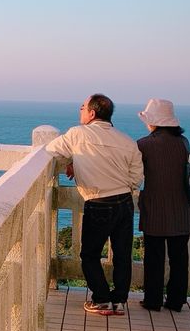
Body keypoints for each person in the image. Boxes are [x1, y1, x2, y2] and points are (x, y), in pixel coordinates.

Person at [46, 94, 143, 316]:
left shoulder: (77, 134)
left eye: (82, 108)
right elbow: (136, 176)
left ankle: (101, 299)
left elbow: (50, 151)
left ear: (92, 113)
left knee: (89, 254)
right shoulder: (126, 140)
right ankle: (118, 301)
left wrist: (70, 161)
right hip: (124, 202)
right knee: (122, 254)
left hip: (98, 202)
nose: (80, 111)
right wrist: (75, 161)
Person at [136, 98, 190, 312]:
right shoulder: (183, 142)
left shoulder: (144, 144)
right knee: (179, 258)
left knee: (154, 257)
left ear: (153, 121)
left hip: (155, 208)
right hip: (181, 208)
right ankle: (176, 300)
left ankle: (153, 300)